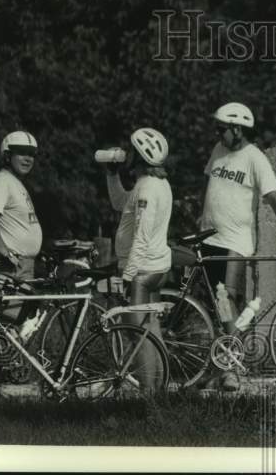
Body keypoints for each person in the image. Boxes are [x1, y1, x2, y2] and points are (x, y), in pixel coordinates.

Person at [198, 102, 276, 390]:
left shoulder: (254, 158)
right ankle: (218, 367)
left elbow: (273, 195)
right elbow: (208, 184)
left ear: (238, 129)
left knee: (228, 302)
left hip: (235, 242)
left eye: (222, 129)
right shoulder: (218, 151)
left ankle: (232, 370)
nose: (218, 133)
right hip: (209, 238)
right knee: (217, 308)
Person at [104, 128, 173, 391]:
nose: (126, 155)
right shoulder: (154, 184)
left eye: (131, 151)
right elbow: (120, 203)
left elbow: (141, 239)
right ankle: (159, 391)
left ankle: (149, 399)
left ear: (140, 155)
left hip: (143, 272)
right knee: (150, 331)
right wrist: (112, 175)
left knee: (137, 334)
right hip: (154, 267)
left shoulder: (146, 190)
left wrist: (127, 277)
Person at [0, 131, 43, 282]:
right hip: (10, 266)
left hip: (23, 265)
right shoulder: (2, 181)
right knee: (10, 306)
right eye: (21, 153)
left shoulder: (14, 182)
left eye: (32, 154)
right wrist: (5, 253)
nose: (28, 159)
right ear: (7, 156)